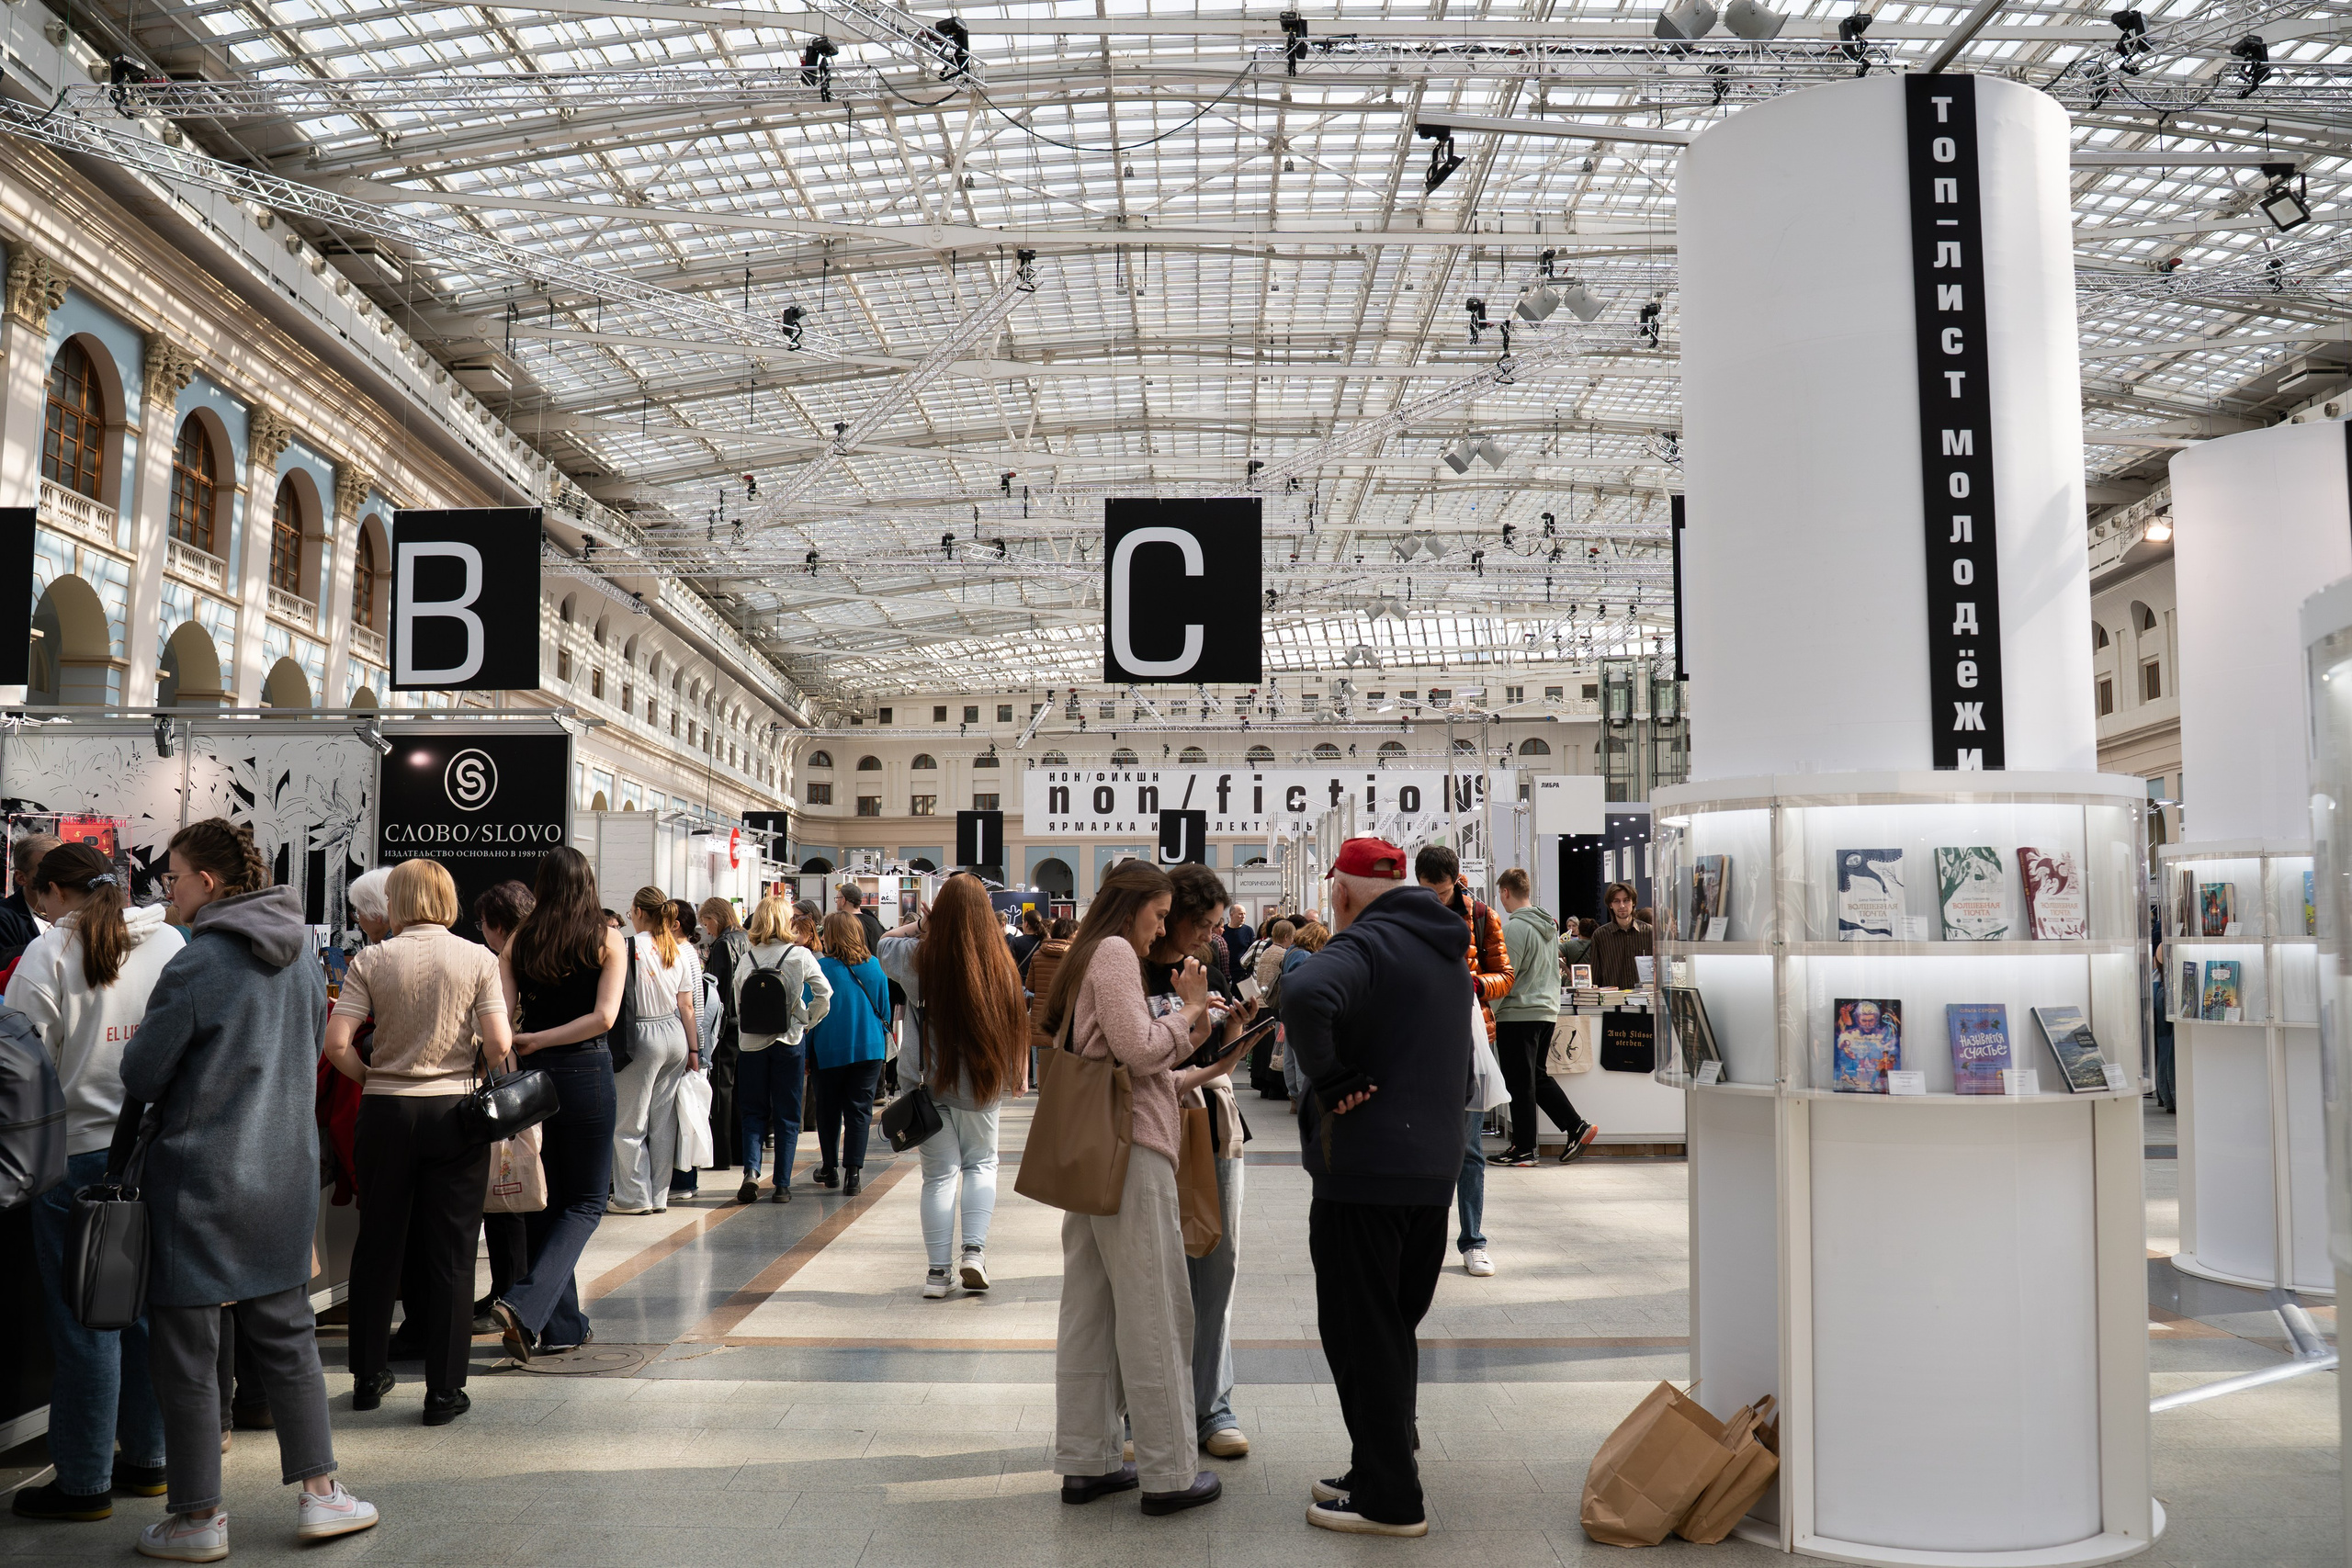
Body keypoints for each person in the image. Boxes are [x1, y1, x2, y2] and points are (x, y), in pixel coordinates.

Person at [119, 818, 379, 1559]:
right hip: (283, 1173)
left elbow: (142, 1076)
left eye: (172, 876)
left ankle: (199, 1518)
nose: (165, 888)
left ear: (207, 881)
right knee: (289, 1337)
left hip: (197, 1180)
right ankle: (322, 1496)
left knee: (191, 1352)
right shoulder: (300, 955)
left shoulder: (197, 966)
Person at [1041, 859, 1251, 1519]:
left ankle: (1088, 1459)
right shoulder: (1111, 950)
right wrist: (1190, 1011)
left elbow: (1137, 1068)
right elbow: (1136, 1049)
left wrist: (1214, 1058)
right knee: (1158, 1308)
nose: (1162, 928)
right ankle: (1167, 1471)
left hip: (1101, 1146)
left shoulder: (1094, 952)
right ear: (1130, 906)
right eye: (1158, 914)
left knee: (1092, 1309)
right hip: (1133, 1154)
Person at [1282, 837, 1474, 1538]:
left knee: (1361, 1331)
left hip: (1365, 1174)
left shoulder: (1366, 943)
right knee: (1390, 1329)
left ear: (1342, 892)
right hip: (1430, 1171)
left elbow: (1302, 991)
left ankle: (1392, 1498)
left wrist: (1330, 1078)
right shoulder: (1443, 946)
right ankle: (1377, 1462)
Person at [8, 840, 184, 1521]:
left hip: (73, 1154)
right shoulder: (169, 938)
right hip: (153, 1149)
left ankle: (82, 1480)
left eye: (38, 897)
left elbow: (21, 1059)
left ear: (53, 892)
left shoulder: (46, 953)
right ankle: (148, 1460)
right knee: (142, 1314)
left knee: (86, 1322)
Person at [322, 858, 509, 1427]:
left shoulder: (372, 958)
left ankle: (367, 1375)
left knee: (378, 1241)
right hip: (455, 1111)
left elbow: (336, 1042)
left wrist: (373, 1079)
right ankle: (444, 1390)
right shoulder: (479, 958)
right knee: (451, 1252)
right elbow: (499, 1042)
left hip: (384, 1112)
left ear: (398, 901)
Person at [489, 847, 628, 1362]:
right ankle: (527, 1306)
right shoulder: (607, 938)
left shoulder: (520, 940)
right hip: (587, 1072)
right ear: (587, 883)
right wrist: (545, 1039)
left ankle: (562, 1325)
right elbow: (604, 1018)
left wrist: (523, 1049)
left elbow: (501, 1021)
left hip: (531, 1077)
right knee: (588, 1202)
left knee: (546, 1201)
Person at [1140, 865, 1252, 1461]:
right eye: (1200, 923)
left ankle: (1213, 1401)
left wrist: (1232, 1029)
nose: (1207, 935)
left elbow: (1209, 1057)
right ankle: (1151, 1404)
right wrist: (1186, 1013)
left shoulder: (1203, 962)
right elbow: (1142, 1054)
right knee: (1160, 1267)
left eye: (1214, 926)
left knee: (1219, 1260)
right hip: (1156, 1123)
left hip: (1211, 1114)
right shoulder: (1131, 964)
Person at [876, 875, 1027, 1297]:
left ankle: (937, 1275)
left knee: (938, 1177)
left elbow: (883, 940)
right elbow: (1017, 1018)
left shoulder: (919, 954)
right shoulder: (999, 958)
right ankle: (974, 1253)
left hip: (926, 1085)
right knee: (981, 1164)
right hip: (981, 1080)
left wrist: (922, 927)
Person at [1414, 846, 1511, 1280]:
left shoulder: (1483, 916)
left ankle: (1474, 1241)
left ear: (1456, 880)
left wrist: (1474, 983)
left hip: (1470, 1041)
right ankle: (1421, 1242)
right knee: (1421, 1147)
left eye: (1440, 891)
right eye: (1425, 892)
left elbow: (1505, 976)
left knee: (1470, 1149)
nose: (1433, 900)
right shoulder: (1405, 914)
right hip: (1417, 1042)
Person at [1488, 868, 1597, 1168]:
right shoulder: (1547, 928)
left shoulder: (1514, 930)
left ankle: (1524, 1149)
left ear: (1506, 892)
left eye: (1501, 894)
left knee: (1521, 1083)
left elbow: (1504, 978)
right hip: (1546, 1012)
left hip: (1518, 1014)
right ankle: (1576, 1127)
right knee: (1534, 1077)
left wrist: (1488, 1014)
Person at [610, 886, 699, 1215]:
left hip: (642, 1035)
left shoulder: (628, 946)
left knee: (629, 1123)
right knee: (664, 1122)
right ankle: (659, 1196)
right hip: (675, 1034)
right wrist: (694, 1050)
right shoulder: (676, 950)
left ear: (637, 912)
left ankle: (634, 1197)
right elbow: (686, 1005)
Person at [735, 901, 831, 1202]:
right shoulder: (799, 955)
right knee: (787, 1114)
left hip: (751, 1044)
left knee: (753, 1111)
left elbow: (739, 1000)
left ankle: (751, 1171)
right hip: (788, 1041)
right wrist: (806, 1020)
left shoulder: (747, 958)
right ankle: (782, 1185)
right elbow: (824, 993)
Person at [470, 881, 537, 1318]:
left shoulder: (503, 961)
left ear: (496, 926)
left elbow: (500, 1032)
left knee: (505, 1191)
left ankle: (509, 1287)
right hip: (546, 1081)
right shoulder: (545, 952)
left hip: (509, 1079)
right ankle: (518, 1285)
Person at [803, 913, 887, 1195]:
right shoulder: (875, 966)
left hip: (829, 1049)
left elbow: (810, 1014)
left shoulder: (819, 968)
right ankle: (853, 1173)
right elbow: (884, 1010)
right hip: (870, 1047)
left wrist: (805, 1053)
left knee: (828, 1111)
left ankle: (829, 1168)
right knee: (859, 1111)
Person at [698, 897, 751, 1175]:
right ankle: (741, 1151)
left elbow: (716, 992)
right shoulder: (746, 938)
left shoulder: (722, 945)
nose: (705, 928)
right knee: (740, 1091)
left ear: (715, 918)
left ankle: (720, 1155)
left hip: (725, 1027)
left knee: (720, 1090)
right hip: (744, 1025)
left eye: (706, 921)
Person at [0, 830, 61, 955]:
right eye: (47, 870)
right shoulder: (5, 919)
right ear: (21, 878)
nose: (60, 876)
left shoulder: (82, 911)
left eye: (64, 866)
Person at [1590, 882, 1651, 989]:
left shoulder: (1649, 932)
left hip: (1644, 999)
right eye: (1616, 901)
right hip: (1612, 1000)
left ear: (1633, 902)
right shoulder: (1600, 935)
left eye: (1626, 900)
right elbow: (1596, 975)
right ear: (1610, 905)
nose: (1622, 905)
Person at [837, 882, 886, 955]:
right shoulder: (873, 922)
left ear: (843, 901)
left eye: (837, 898)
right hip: (874, 965)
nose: (836, 901)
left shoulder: (842, 923)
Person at [1008, 906, 1046, 976]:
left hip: (1021, 981)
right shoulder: (1044, 941)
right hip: (1038, 980)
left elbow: (1010, 964)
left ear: (1026, 924)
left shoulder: (1016, 941)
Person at [1219, 903, 1255, 976]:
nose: (1243, 916)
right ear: (1231, 915)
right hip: (1227, 971)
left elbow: (1252, 952)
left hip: (1243, 972)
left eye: (1244, 914)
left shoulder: (1248, 931)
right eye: (1240, 914)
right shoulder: (1223, 930)